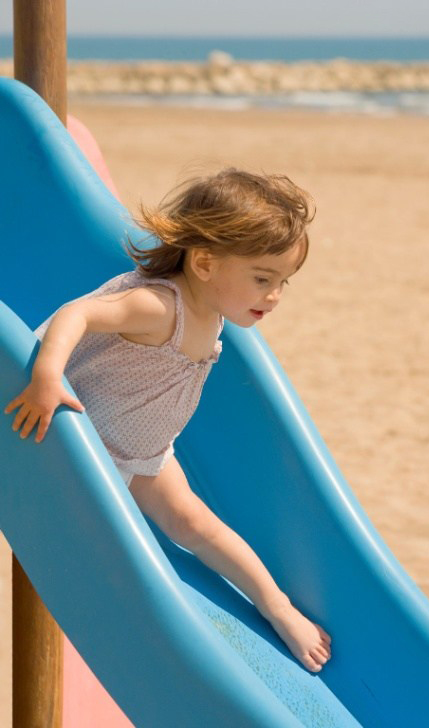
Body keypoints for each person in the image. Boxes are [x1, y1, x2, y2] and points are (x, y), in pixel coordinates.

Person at [4, 167, 331, 673]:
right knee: (103, 551)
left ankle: (277, 605)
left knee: (196, 524)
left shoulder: (214, 308)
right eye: (262, 279)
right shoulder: (158, 305)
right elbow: (77, 314)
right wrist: (48, 377)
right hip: (75, 448)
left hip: (142, 453)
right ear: (203, 262)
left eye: (282, 282)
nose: (274, 296)